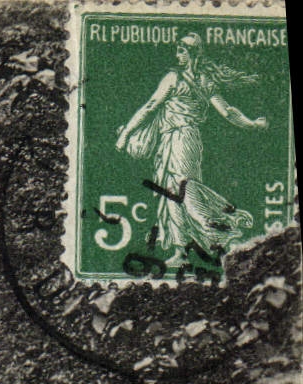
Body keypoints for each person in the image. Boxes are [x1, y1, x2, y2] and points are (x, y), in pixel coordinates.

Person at [114, 33, 269, 267]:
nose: (177, 56)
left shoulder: (174, 78)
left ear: (192, 53)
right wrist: (252, 124)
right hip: (182, 140)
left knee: (184, 191)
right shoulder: (206, 81)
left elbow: (150, 106)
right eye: (177, 51)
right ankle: (182, 252)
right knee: (172, 193)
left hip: (180, 139)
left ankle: (224, 227)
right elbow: (227, 111)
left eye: (181, 51)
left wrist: (126, 133)